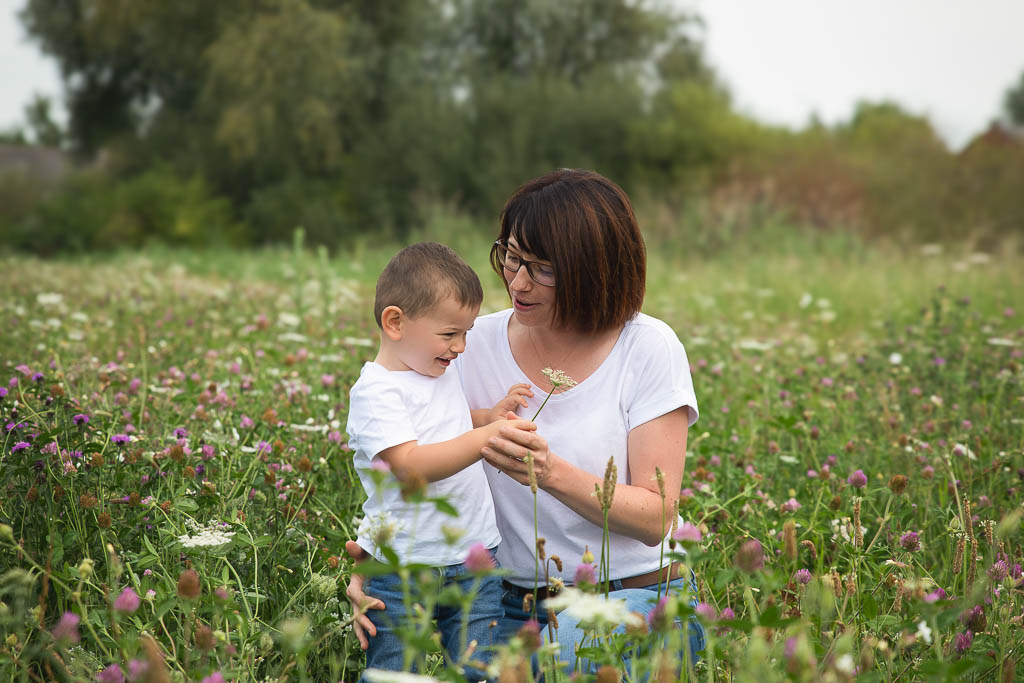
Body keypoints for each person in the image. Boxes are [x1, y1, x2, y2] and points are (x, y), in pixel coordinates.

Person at [346, 170, 704, 675]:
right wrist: (375, 564)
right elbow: (405, 457)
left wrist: (549, 472)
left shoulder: (646, 347)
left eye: (541, 269)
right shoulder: (466, 343)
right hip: (498, 601)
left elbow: (655, 518)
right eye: (512, 258)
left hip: (628, 597)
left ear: (593, 270)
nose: (517, 282)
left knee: (573, 663)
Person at [345, 242, 534, 680]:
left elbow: (444, 424)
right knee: (396, 668)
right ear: (395, 323)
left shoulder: (434, 372)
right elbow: (409, 464)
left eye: (466, 333)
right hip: (403, 565)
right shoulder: (377, 392)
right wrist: (485, 438)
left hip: (474, 555)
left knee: (480, 668)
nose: (461, 347)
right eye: (450, 334)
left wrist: (489, 416)